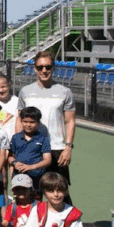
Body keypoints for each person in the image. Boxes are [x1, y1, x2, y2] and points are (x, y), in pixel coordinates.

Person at [17, 50, 76, 184]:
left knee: (60, 195)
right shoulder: (25, 92)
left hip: (57, 149)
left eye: (48, 67)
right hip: (31, 148)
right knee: (32, 195)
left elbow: (70, 121)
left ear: (53, 68)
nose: (44, 70)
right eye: (40, 67)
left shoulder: (65, 92)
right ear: (35, 69)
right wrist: (19, 146)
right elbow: (19, 120)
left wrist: (68, 147)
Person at [9, 106, 52, 191]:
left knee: (36, 202)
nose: (28, 125)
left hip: (36, 179)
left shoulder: (43, 139)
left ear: (38, 123)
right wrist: (15, 163)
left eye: (32, 122)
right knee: (20, 201)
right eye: (25, 121)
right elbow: (10, 156)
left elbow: (47, 160)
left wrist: (31, 167)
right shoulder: (15, 137)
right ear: (21, 121)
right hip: (19, 179)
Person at [0, 73, 20, 141]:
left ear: (9, 85)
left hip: (13, 142)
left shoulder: (18, 102)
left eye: (3, 87)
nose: (1, 90)